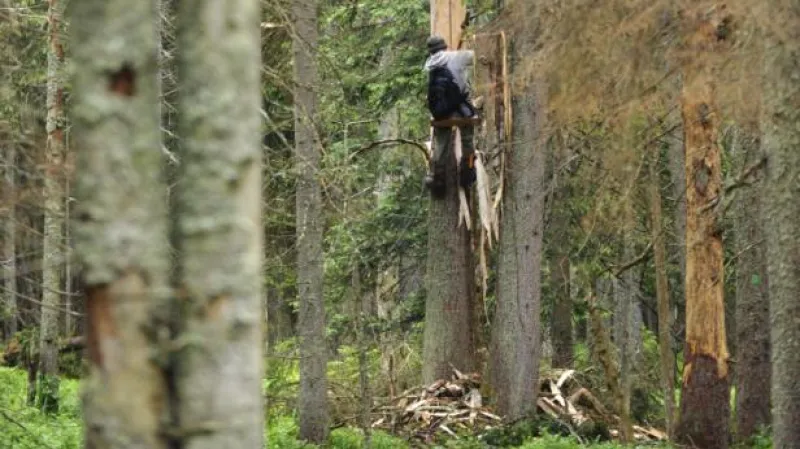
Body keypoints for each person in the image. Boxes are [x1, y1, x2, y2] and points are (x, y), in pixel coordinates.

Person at [423, 35, 477, 196]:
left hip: (441, 113)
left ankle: (438, 178)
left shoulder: (429, 64)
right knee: (467, 138)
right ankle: (467, 172)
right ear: (445, 46)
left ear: (431, 51)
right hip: (460, 110)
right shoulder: (456, 57)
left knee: (441, 143)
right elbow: (476, 55)